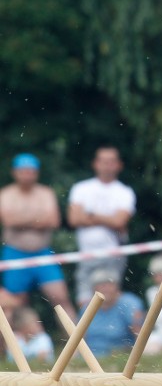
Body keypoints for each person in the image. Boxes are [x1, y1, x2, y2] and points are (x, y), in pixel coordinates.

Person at [0, 153, 76, 318]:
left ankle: (79, 343)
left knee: (61, 299)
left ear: (36, 173)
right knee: (11, 303)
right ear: (15, 172)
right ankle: (6, 343)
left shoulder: (45, 193)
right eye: (23, 171)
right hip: (15, 253)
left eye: (30, 171)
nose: (27, 175)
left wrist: (21, 219)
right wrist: (38, 219)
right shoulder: (6, 194)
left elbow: (53, 220)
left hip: (43, 253)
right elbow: (8, 221)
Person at [67, 146, 136, 306]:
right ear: (95, 164)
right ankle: (87, 331)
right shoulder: (81, 188)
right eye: (103, 161)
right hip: (86, 254)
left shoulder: (124, 191)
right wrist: (108, 219)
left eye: (111, 162)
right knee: (84, 299)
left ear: (119, 165)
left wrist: (90, 215)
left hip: (112, 254)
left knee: (111, 299)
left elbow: (120, 222)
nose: (107, 166)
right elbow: (73, 219)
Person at [81, 268, 144, 357]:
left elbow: (139, 334)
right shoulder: (87, 308)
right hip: (90, 356)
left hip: (120, 355)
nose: (106, 289)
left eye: (109, 284)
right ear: (93, 289)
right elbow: (79, 338)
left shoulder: (129, 303)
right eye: (101, 285)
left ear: (117, 287)